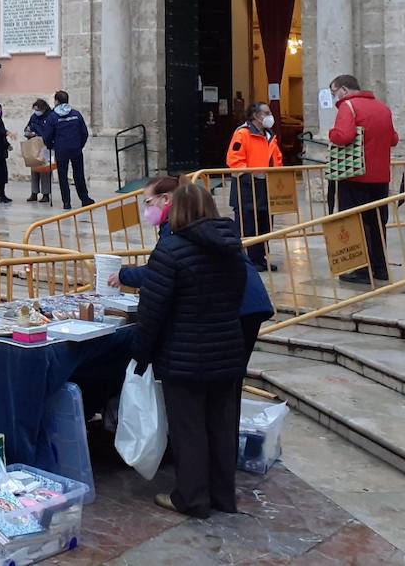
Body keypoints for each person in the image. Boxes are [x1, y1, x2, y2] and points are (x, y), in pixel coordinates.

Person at [132, 182, 247, 519]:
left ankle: (192, 498)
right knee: (222, 427)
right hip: (227, 352)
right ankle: (223, 496)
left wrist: (142, 352)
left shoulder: (170, 251)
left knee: (189, 429)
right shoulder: (231, 248)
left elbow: (152, 310)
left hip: (184, 356)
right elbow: (236, 296)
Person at [112, 176, 274, 368]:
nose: (146, 210)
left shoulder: (178, 226)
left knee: (225, 376)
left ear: (166, 199)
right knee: (229, 376)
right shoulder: (202, 223)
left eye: (148, 202)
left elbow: (160, 271)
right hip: (243, 301)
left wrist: (123, 275)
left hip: (236, 303)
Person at [329, 74, 399, 284]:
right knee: (377, 222)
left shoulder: (348, 106)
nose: (335, 98)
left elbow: (344, 136)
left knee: (354, 222)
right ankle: (380, 268)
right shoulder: (382, 107)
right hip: (381, 177)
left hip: (355, 175)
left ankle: (359, 270)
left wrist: (332, 133)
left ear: (343, 89)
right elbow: (394, 139)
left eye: (334, 93)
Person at [226, 102, 284, 271]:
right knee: (247, 225)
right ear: (256, 116)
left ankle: (260, 258)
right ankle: (246, 260)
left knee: (265, 224)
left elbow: (277, 158)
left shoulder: (270, 135)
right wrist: (250, 174)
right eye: (267, 112)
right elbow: (234, 159)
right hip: (247, 186)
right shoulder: (242, 133)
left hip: (266, 185)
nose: (270, 115)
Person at [50, 91, 92, 210]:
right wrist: (79, 145)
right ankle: (84, 199)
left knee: (63, 176)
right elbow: (84, 133)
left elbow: (47, 135)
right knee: (79, 174)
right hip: (75, 149)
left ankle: (66, 202)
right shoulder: (76, 114)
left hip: (61, 150)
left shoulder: (53, 116)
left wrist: (51, 145)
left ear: (57, 101)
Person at [23, 98, 54, 204]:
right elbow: (28, 127)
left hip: (45, 146)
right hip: (34, 145)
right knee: (34, 169)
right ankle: (34, 192)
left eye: (38, 109)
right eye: (35, 109)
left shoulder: (50, 116)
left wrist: (38, 135)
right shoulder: (34, 116)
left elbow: (50, 132)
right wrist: (28, 132)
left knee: (45, 170)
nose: (36, 112)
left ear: (43, 108)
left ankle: (46, 194)